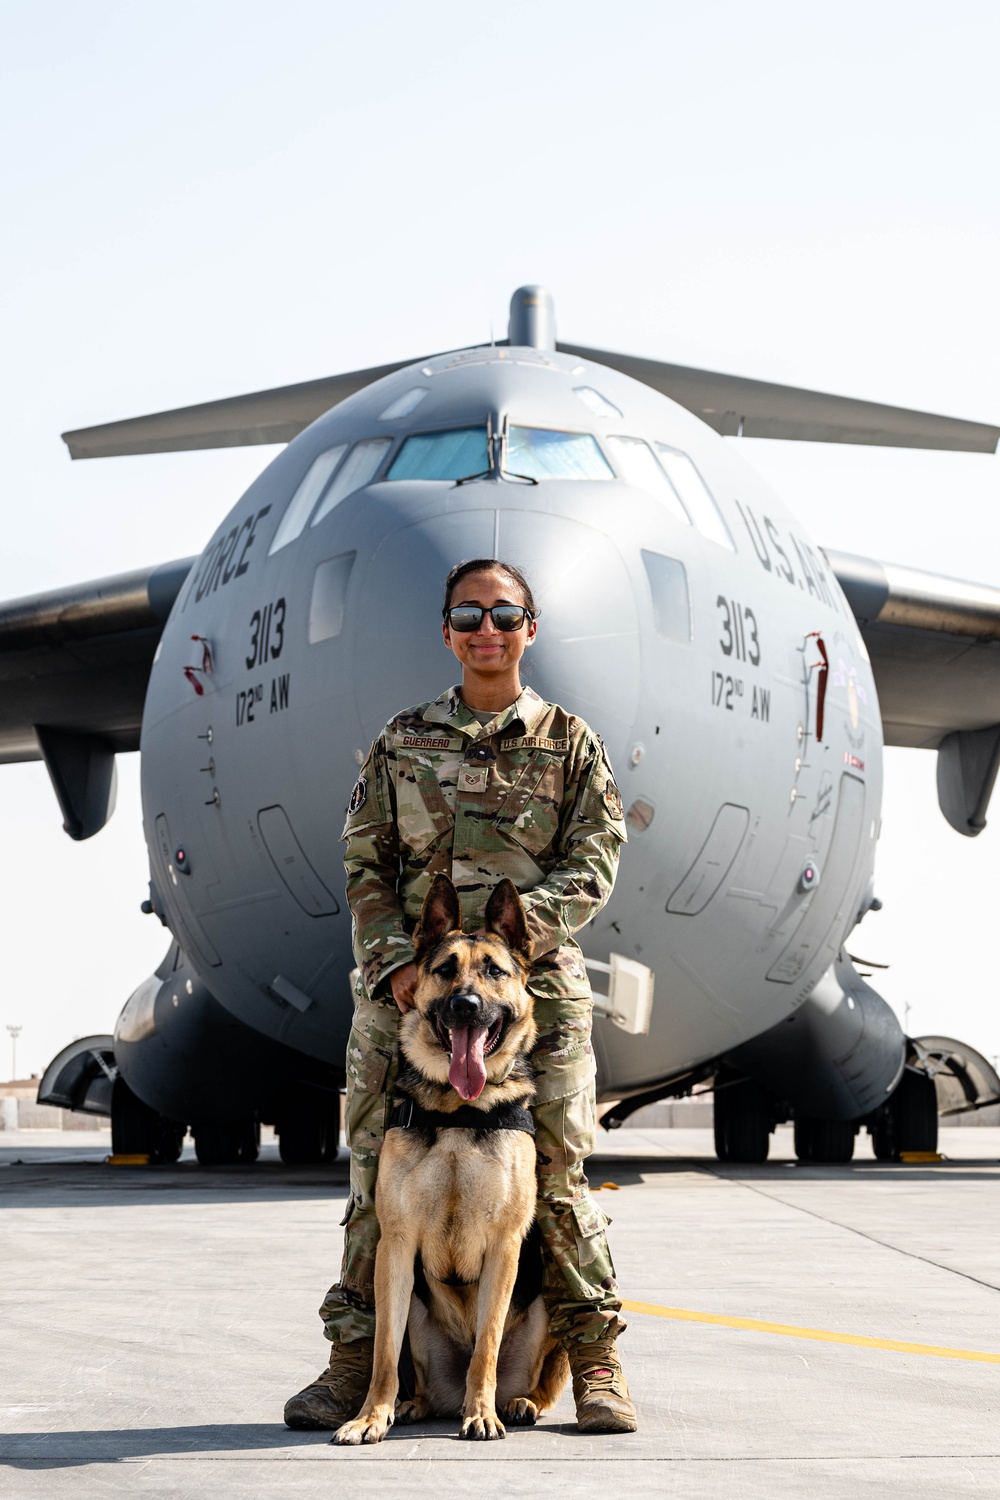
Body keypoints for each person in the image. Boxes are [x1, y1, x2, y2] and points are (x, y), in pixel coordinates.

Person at [284, 557, 637, 1435]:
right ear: (447, 630)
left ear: (530, 626)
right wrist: (400, 962)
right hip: (408, 999)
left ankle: (594, 1366)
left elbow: (597, 858)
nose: (488, 627)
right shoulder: (402, 742)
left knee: (558, 1180)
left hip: (535, 999)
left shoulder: (569, 743)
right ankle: (355, 1366)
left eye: (505, 613)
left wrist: (514, 952)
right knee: (376, 1187)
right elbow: (365, 862)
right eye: (470, 613)